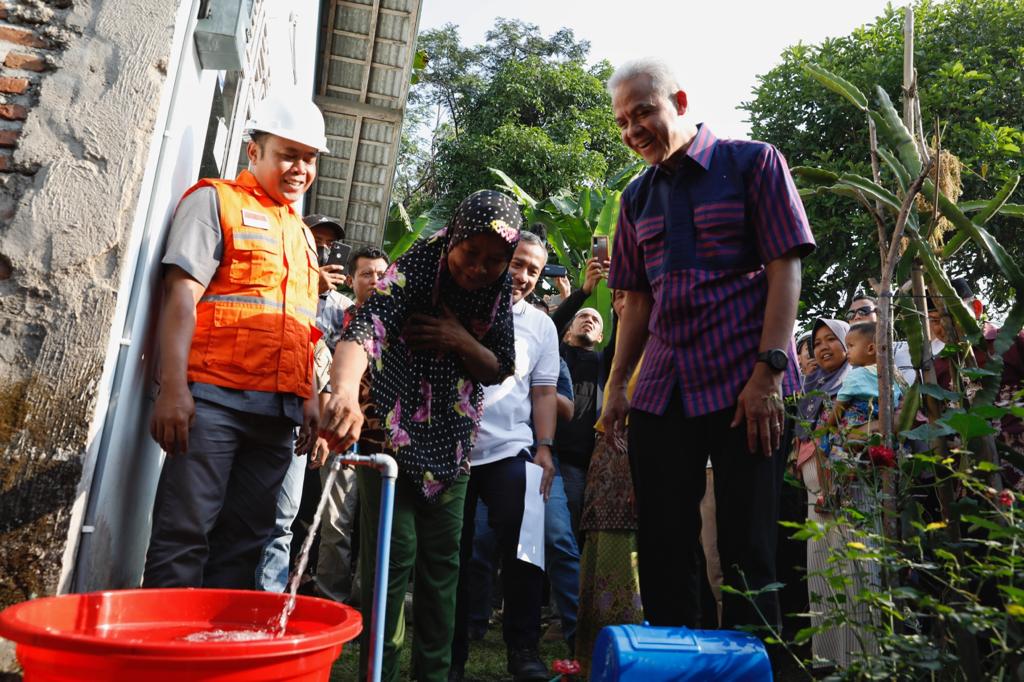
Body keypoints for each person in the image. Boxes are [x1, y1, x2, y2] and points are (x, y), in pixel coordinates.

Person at [603, 57, 815, 635]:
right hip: (664, 383)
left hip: (744, 378)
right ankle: (679, 663)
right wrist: (619, 384)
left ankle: (756, 668)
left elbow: (784, 268)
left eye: (643, 111)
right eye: (622, 121)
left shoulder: (752, 162)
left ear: (681, 100)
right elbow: (638, 302)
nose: (633, 130)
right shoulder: (635, 198)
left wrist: (769, 373)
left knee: (751, 545)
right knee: (664, 540)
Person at [321, 190, 522, 682]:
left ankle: (431, 674)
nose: (478, 268)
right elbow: (366, 326)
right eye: (469, 253)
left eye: (494, 261)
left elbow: (501, 367)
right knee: (391, 563)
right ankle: (379, 672)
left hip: (453, 449)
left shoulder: (496, 296)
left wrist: (460, 339)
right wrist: (344, 390)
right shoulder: (415, 270)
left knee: (441, 568)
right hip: (388, 436)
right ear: (451, 237)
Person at [143, 94, 328, 589]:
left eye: (309, 158)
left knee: (247, 545)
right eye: (288, 153)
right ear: (255, 152)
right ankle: (162, 661)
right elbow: (181, 297)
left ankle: (213, 657)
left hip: (277, 416)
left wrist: (308, 394)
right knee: (184, 534)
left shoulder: (304, 235)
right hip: (211, 403)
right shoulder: (214, 200)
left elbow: (301, 324)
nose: (300, 168)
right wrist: (173, 389)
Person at [450, 231, 563, 682]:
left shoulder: (542, 325)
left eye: (533, 270)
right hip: (452, 447)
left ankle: (523, 649)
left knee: (526, 547)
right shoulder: (458, 302)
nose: (522, 276)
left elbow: (544, 391)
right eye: (517, 263)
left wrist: (545, 448)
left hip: (511, 449)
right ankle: (450, 652)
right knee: (452, 555)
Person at [256, 214, 354, 593]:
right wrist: (309, 285)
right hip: (257, 407)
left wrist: (324, 427)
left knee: (284, 517)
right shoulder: (274, 280)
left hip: (306, 416)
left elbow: (328, 364)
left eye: (331, 245)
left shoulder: (343, 308)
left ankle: (269, 601)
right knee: (243, 512)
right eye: (316, 241)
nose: (323, 250)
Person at [312, 246, 391, 604]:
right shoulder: (336, 318)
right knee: (335, 524)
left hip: (385, 440)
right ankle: (332, 603)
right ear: (352, 280)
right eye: (366, 274)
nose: (375, 281)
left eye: (380, 274)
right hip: (339, 433)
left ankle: (368, 604)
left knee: (376, 528)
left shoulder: (399, 321)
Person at [575, 288, 643, 676]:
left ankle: (631, 648)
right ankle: (593, 651)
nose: (621, 300)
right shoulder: (607, 358)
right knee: (598, 541)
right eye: (616, 295)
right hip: (604, 455)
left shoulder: (655, 344)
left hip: (639, 449)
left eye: (629, 295)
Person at [556, 307, 605, 538]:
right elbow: (553, 324)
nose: (589, 320)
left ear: (600, 337)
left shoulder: (603, 364)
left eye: (595, 319)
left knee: (566, 531)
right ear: (569, 329)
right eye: (583, 316)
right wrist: (582, 291)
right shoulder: (555, 355)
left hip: (577, 463)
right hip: (539, 454)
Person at [845, 294, 916, 385]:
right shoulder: (849, 363)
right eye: (850, 314)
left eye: (863, 311)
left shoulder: (908, 349)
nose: (857, 317)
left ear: (880, 314)